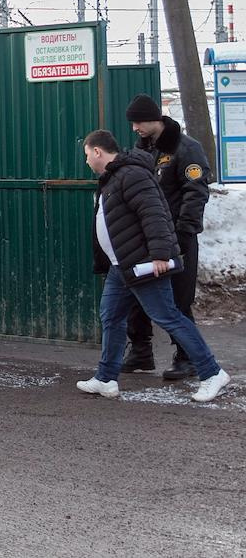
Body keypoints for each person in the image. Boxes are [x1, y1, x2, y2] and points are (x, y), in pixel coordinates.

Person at [76, 130, 229, 403]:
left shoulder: (131, 175)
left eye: (87, 155)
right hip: (120, 266)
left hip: (142, 263)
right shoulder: (113, 177)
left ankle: (211, 372)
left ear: (97, 152)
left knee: (167, 315)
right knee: (111, 317)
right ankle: (106, 378)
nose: (87, 161)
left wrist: (159, 255)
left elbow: (154, 214)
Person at [121, 94, 213, 380]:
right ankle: (140, 350)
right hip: (146, 237)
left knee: (178, 299)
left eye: (138, 121)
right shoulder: (143, 150)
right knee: (137, 293)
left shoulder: (187, 149)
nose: (135, 127)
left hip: (177, 237)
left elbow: (195, 192)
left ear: (154, 119)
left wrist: (184, 232)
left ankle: (187, 358)